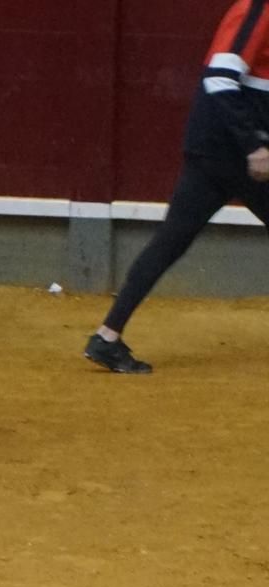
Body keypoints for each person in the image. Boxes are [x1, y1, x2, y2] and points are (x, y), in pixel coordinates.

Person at [84, 0, 269, 374]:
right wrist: (254, 145)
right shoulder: (259, 7)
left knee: (169, 241)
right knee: (169, 240)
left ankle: (107, 336)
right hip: (233, 152)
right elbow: (219, 77)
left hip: (213, 148)